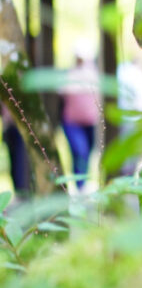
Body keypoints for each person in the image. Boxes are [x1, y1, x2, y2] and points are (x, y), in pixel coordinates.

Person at [59, 42, 102, 190]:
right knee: (79, 150)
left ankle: (83, 182)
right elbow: (62, 91)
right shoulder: (69, 74)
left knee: (87, 153)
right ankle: (80, 185)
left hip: (90, 122)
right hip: (72, 122)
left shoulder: (95, 74)